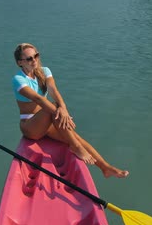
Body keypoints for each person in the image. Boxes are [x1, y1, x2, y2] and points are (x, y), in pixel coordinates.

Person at [12, 43, 129, 178]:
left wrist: (64, 110)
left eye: (36, 56)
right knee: (53, 108)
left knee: (75, 136)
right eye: (29, 59)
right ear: (20, 62)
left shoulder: (44, 71)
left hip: (48, 120)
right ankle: (76, 147)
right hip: (30, 126)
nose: (34, 60)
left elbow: (53, 90)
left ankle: (105, 167)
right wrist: (59, 112)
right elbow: (39, 99)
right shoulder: (18, 79)